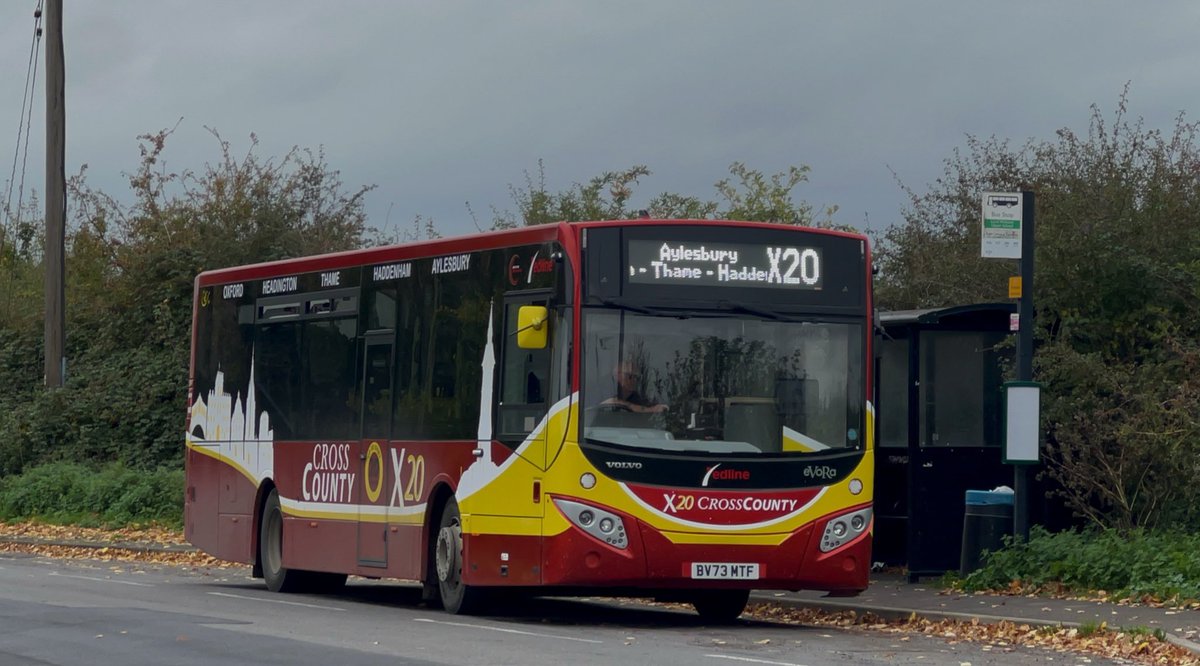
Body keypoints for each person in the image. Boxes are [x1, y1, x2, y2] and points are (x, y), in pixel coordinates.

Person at [602, 360, 667, 413]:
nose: (634, 380)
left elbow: (655, 409)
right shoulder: (604, 392)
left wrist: (651, 409)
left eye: (637, 377)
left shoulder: (640, 400)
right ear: (618, 376)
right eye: (630, 376)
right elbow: (598, 408)